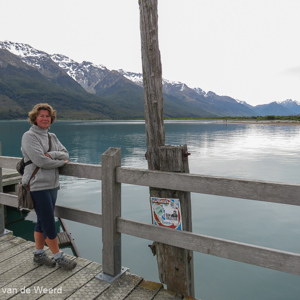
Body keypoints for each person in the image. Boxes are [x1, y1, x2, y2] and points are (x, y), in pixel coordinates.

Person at [21, 103, 76, 270]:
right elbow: (40, 161)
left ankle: (38, 254)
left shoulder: (52, 136)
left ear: (51, 119)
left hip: (53, 185)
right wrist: (60, 162)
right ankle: (59, 257)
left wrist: (52, 155)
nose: (45, 118)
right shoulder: (29, 136)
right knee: (49, 223)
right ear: (35, 118)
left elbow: (66, 153)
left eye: (47, 116)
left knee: (42, 221)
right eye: (41, 116)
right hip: (37, 185)